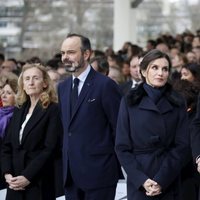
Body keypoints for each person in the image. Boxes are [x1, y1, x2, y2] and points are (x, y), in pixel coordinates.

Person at [115, 49, 190, 199]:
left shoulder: (177, 101)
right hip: (140, 180)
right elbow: (122, 147)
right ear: (143, 71)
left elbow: (182, 146)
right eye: (155, 68)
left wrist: (162, 180)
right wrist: (141, 179)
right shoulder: (129, 100)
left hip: (169, 178)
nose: (160, 73)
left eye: (165, 69)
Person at [58, 33, 122, 200]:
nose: (65, 57)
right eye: (63, 53)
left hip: (100, 175)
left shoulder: (106, 85)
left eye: (71, 52)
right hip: (70, 175)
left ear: (86, 54)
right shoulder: (62, 87)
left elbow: (119, 128)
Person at [1, 63, 63, 200]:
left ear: (45, 83)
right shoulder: (19, 109)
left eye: (35, 78)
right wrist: (7, 174)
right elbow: (6, 145)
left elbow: (50, 148)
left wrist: (27, 176)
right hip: (14, 182)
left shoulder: (53, 110)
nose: (31, 82)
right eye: (27, 79)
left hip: (38, 182)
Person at [0, 73, 18, 190]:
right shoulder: (1, 113)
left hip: (8, 168)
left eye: (9, 93)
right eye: (3, 92)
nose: (4, 95)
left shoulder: (16, 116)